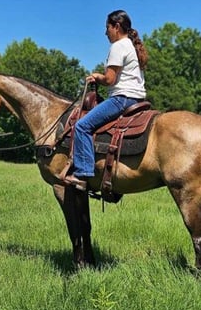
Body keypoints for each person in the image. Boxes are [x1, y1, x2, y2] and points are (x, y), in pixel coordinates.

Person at [64, 10, 149, 191]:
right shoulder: (131, 45)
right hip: (136, 98)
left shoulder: (119, 46)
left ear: (116, 27)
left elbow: (110, 80)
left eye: (107, 28)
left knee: (82, 126)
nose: (105, 33)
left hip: (121, 99)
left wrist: (96, 76)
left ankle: (83, 173)